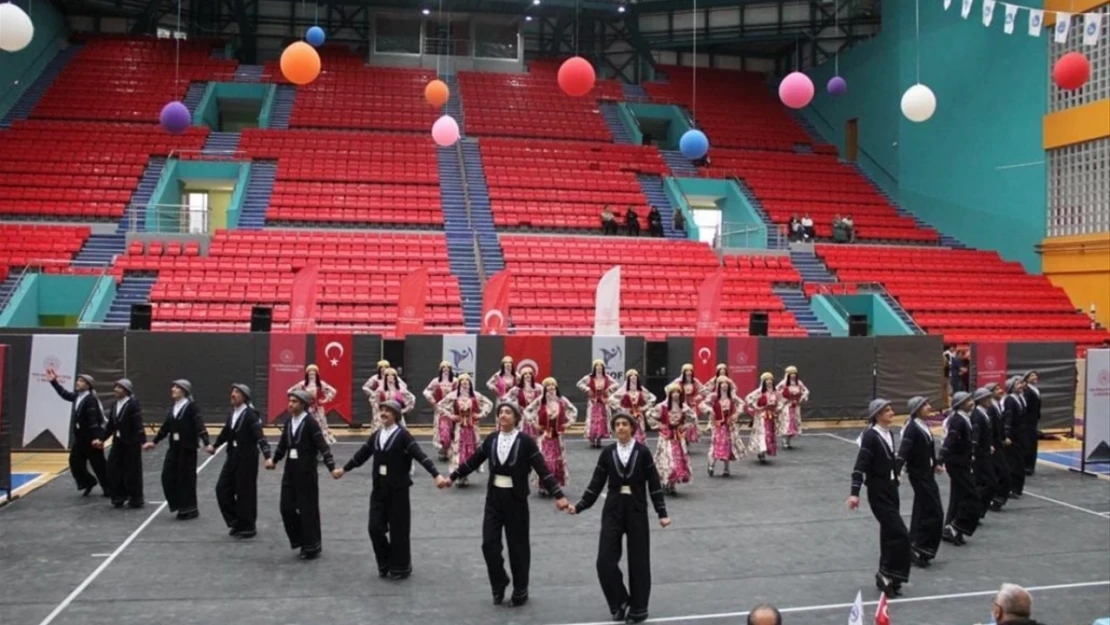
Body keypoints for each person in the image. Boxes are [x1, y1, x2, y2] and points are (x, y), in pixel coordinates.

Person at [445, 402, 570, 607]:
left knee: (518, 548)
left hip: (516, 500)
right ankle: (499, 582)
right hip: (493, 500)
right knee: (489, 545)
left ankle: (521, 589)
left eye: (507, 412)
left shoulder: (526, 441)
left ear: (516, 418)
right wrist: (452, 477)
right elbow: (474, 460)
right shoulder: (492, 439)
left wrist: (559, 495)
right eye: (500, 412)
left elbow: (542, 469)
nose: (503, 415)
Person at [568, 411, 671, 624]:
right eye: (618, 424)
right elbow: (596, 483)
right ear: (613, 429)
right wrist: (579, 507)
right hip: (613, 509)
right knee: (604, 561)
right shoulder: (607, 453)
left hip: (636, 510)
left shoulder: (642, 452)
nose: (621, 428)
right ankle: (619, 600)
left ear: (632, 428)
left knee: (639, 562)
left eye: (625, 424)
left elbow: (653, 484)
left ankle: (639, 609)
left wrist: (662, 513)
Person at [333, 400, 448, 579]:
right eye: (382, 410)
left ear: (395, 415)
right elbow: (362, 454)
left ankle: (400, 567)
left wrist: (436, 474)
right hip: (379, 489)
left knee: (399, 531)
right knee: (374, 528)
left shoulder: (403, 436)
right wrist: (344, 469)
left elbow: (420, 455)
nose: (383, 413)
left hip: (398, 490)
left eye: (387, 410)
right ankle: (385, 561)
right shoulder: (377, 435)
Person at [846, 398, 910, 598]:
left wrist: (896, 475)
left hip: (891, 490)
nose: (892, 413)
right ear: (877, 415)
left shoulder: (888, 433)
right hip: (878, 492)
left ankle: (887, 574)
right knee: (900, 533)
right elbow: (860, 466)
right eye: (887, 410)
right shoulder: (871, 437)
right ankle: (888, 572)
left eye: (891, 409)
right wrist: (854, 493)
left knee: (889, 533)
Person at [265, 389, 336, 560]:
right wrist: (274, 460)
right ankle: (299, 540)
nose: (290, 404)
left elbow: (322, 445)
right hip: (290, 472)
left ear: (303, 405)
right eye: (289, 401)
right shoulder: (289, 422)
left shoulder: (310, 423)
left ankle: (311, 546)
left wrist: (331, 466)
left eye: (294, 401)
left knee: (307, 510)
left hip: (306, 473)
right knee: (286, 508)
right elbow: (283, 444)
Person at [144, 380, 211, 520]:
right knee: (167, 476)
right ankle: (178, 504)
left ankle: (189, 508)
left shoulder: (191, 407)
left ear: (184, 391)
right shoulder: (173, 408)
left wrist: (206, 442)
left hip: (187, 448)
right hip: (174, 447)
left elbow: (199, 424)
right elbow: (165, 427)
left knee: (186, 478)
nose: (173, 389)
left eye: (176, 387)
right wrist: (154, 442)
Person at [212, 383, 271, 539]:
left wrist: (267, 456)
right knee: (222, 489)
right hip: (232, 456)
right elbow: (226, 432)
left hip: (247, 459)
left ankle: (247, 526)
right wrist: (215, 445)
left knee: (245, 492)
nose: (233, 394)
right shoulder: (232, 413)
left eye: (237, 392)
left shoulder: (250, 415)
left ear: (244, 397)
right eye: (232, 391)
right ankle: (236, 520)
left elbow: (260, 436)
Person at [896, 396, 943, 568]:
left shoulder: (923, 426)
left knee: (922, 509)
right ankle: (921, 546)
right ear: (917, 409)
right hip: (919, 475)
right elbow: (904, 451)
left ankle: (915, 544)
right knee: (933, 511)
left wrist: (936, 463)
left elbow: (928, 448)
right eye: (925, 405)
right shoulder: (912, 428)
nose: (929, 407)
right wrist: (897, 472)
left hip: (927, 473)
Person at [46, 368, 108, 497]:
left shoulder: (90, 399)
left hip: (91, 438)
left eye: (81, 381)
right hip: (80, 438)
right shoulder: (78, 397)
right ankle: (88, 482)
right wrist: (54, 382)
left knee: (99, 465)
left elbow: (94, 421)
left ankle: (110, 488)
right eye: (78, 380)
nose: (77, 382)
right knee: (75, 462)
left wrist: (98, 438)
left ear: (87, 385)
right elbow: (65, 394)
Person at [939, 391, 980, 546]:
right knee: (971, 496)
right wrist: (941, 458)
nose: (971, 402)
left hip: (961, 461)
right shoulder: (958, 420)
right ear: (961, 403)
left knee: (957, 497)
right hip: (957, 463)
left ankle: (950, 527)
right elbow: (950, 440)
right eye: (968, 400)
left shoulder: (964, 418)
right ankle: (956, 526)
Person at [524, 377, 578, 495]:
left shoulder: (562, 401)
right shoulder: (540, 401)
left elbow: (573, 410)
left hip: (557, 437)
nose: (551, 387)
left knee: (556, 462)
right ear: (544, 388)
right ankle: (542, 485)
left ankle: (554, 484)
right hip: (544, 437)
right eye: (548, 385)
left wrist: (568, 423)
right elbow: (527, 410)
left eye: (553, 385)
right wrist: (534, 423)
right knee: (544, 461)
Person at [438, 374, 493, 487]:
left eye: (467, 381)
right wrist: (451, 416)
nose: (465, 383)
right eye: (462, 381)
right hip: (459, 428)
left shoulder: (476, 395)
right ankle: (459, 476)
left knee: (472, 452)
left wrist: (481, 414)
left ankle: (466, 474)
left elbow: (489, 404)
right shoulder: (453, 396)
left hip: (472, 429)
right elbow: (440, 405)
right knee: (458, 450)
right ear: (458, 384)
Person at [102, 378, 145, 508]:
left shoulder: (132, 404)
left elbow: (138, 424)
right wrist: (101, 439)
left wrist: (143, 442)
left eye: (119, 388)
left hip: (131, 443)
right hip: (118, 442)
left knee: (132, 471)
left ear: (126, 391)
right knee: (112, 468)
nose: (116, 389)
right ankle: (119, 495)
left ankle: (136, 498)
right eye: (116, 387)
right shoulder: (115, 405)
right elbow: (110, 425)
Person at [649, 384, 693, 495]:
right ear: (669, 394)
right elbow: (649, 414)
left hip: (677, 437)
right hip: (666, 437)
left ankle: (672, 484)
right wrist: (659, 425)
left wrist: (685, 426)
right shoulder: (662, 406)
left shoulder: (683, 407)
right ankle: (665, 481)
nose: (676, 395)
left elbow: (693, 418)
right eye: (673, 392)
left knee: (677, 461)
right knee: (666, 459)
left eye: (678, 392)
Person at [701, 376, 746, 477]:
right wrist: (710, 410)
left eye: (726, 383)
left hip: (728, 425)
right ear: (719, 385)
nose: (724, 385)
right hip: (717, 426)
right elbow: (702, 404)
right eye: (722, 383)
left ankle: (726, 468)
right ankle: (711, 465)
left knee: (728, 446)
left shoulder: (732, 397)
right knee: (715, 445)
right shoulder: (714, 396)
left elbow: (742, 403)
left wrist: (737, 413)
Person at [288, 364, 337, 444]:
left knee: (321, 426)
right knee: (306, 425)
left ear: (316, 374)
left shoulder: (321, 384)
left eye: (313, 374)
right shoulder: (303, 384)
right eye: (310, 374)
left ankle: (321, 444)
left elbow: (333, 391)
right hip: (307, 410)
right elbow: (290, 391)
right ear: (307, 374)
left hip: (318, 410)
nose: (311, 376)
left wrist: (325, 400)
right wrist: (299, 399)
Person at [971, 387, 999, 519]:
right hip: (980, 455)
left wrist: (989, 445)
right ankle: (975, 508)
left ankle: (978, 510)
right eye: (987, 398)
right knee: (989, 483)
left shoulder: (984, 413)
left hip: (985, 451)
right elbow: (976, 436)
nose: (990, 400)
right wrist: (973, 452)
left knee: (987, 483)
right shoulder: (977, 415)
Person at [578, 360, 619, 448]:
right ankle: (592, 439)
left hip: (603, 402)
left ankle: (599, 439)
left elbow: (616, 384)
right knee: (593, 420)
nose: (599, 368)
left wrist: (609, 389)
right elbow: (579, 384)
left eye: (601, 366)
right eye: (597, 366)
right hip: (593, 402)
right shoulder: (589, 377)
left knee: (602, 420)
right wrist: (587, 389)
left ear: (603, 368)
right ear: (594, 367)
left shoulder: (607, 377)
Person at [609, 370, 656, 444]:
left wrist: (644, 408)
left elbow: (652, 398)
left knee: (639, 429)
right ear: (628, 378)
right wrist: (621, 408)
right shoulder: (623, 390)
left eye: (635, 375)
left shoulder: (641, 390)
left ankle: (639, 444)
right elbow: (612, 399)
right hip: (628, 414)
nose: (633, 377)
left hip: (638, 414)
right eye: (631, 376)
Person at [423, 361, 456, 461]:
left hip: (451, 409)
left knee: (452, 429)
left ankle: (450, 449)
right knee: (441, 429)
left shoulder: (455, 381)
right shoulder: (436, 381)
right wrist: (432, 400)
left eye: (447, 368)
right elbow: (426, 391)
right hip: (440, 409)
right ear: (440, 370)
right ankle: (442, 449)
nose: (445, 369)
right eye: (443, 368)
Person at [746, 372, 782, 463]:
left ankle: (765, 450)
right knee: (762, 432)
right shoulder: (759, 392)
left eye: (770, 380)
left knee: (769, 433)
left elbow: (781, 402)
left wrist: (778, 409)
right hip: (761, 416)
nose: (769, 382)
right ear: (763, 382)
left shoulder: (776, 392)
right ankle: (762, 450)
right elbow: (748, 399)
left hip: (771, 416)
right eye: (767, 380)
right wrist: (756, 407)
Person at [986, 382, 1011, 509]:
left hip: (998, 443)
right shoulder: (990, 408)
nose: (1000, 390)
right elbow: (990, 428)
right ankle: (995, 498)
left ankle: (996, 498)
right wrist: (991, 443)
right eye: (996, 389)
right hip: (994, 445)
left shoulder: (997, 406)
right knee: (1001, 472)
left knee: (1001, 472)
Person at [1002, 376, 1028, 498]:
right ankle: (1012, 487)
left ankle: (1018, 487)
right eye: (1018, 384)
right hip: (1013, 435)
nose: (1021, 385)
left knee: (1020, 460)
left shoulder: (1021, 398)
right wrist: (1007, 435)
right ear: (1011, 386)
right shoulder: (1010, 400)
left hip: (1021, 434)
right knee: (1014, 461)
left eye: (1022, 383)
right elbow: (1008, 418)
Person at [370, 368, 416, 433]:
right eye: (388, 375)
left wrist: (405, 410)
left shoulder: (400, 388)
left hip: (397, 416)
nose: (390, 377)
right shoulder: (380, 389)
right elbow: (373, 400)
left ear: (395, 377)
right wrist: (378, 411)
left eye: (392, 375)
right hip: (384, 417)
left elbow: (411, 398)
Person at [669, 364, 704, 445]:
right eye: (686, 371)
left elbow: (704, 391)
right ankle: (681, 439)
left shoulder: (695, 381)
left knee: (691, 421)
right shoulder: (678, 381)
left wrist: (696, 398)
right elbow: (668, 389)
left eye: (690, 371)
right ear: (683, 373)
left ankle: (687, 439)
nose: (689, 373)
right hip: (680, 405)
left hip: (691, 405)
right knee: (681, 421)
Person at [775, 365, 809, 449]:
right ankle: (784, 439)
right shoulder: (783, 383)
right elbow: (776, 391)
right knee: (787, 422)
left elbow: (806, 391)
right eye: (791, 374)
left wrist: (802, 397)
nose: (793, 375)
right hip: (787, 405)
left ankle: (788, 440)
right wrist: (783, 399)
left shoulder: (799, 383)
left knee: (794, 423)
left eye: (794, 373)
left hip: (795, 405)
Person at [511, 365, 543, 438]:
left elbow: (545, 402)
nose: (528, 375)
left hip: (535, 419)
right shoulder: (516, 389)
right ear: (521, 376)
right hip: (522, 420)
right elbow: (506, 400)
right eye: (525, 374)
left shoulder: (538, 388)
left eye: (530, 373)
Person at [1021, 371, 1041, 476]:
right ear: (1027, 379)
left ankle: (1030, 465)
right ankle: (1027, 466)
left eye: (1035, 375)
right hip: (1028, 422)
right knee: (1029, 443)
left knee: (1033, 443)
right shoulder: (1027, 391)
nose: (1035, 377)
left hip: (1033, 421)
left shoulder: (1035, 390)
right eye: (1032, 375)